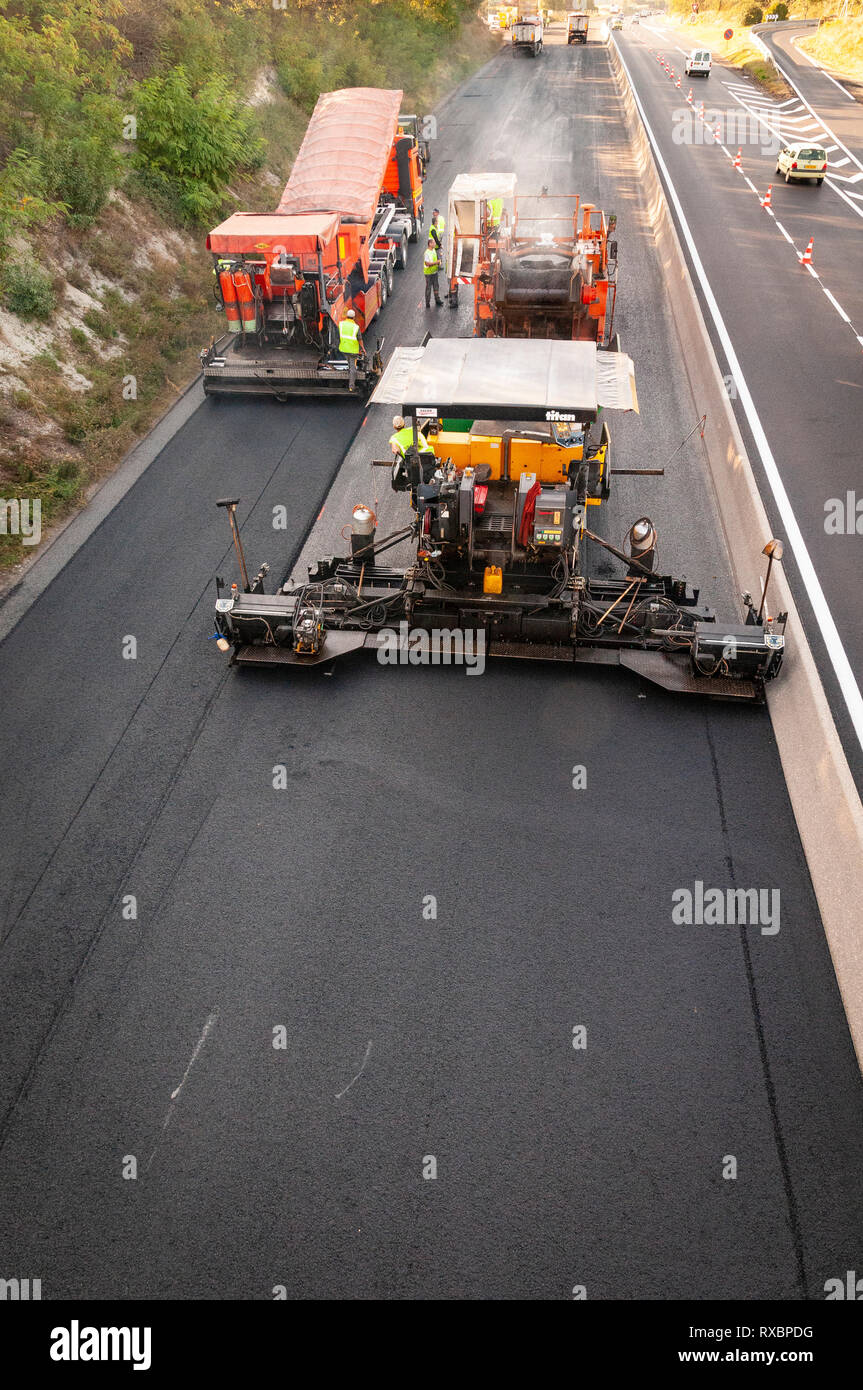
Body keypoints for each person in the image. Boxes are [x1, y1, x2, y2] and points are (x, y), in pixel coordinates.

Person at [338, 308, 364, 389]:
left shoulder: (341, 324)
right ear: (354, 317)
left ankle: (349, 379)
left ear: (347, 316)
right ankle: (351, 386)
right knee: (353, 368)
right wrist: (363, 348)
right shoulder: (356, 327)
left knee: (349, 365)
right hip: (352, 351)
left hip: (343, 349)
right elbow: (360, 339)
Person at [423, 237, 442, 307]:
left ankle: (437, 300)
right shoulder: (427, 253)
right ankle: (427, 303)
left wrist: (438, 262)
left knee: (436, 286)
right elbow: (427, 264)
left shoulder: (433, 250)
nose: (435, 244)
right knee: (428, 288)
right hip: (428, 273)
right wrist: (436, 262)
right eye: (434, 243)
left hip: (434, 272)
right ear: (430, 244)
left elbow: (436, 259)